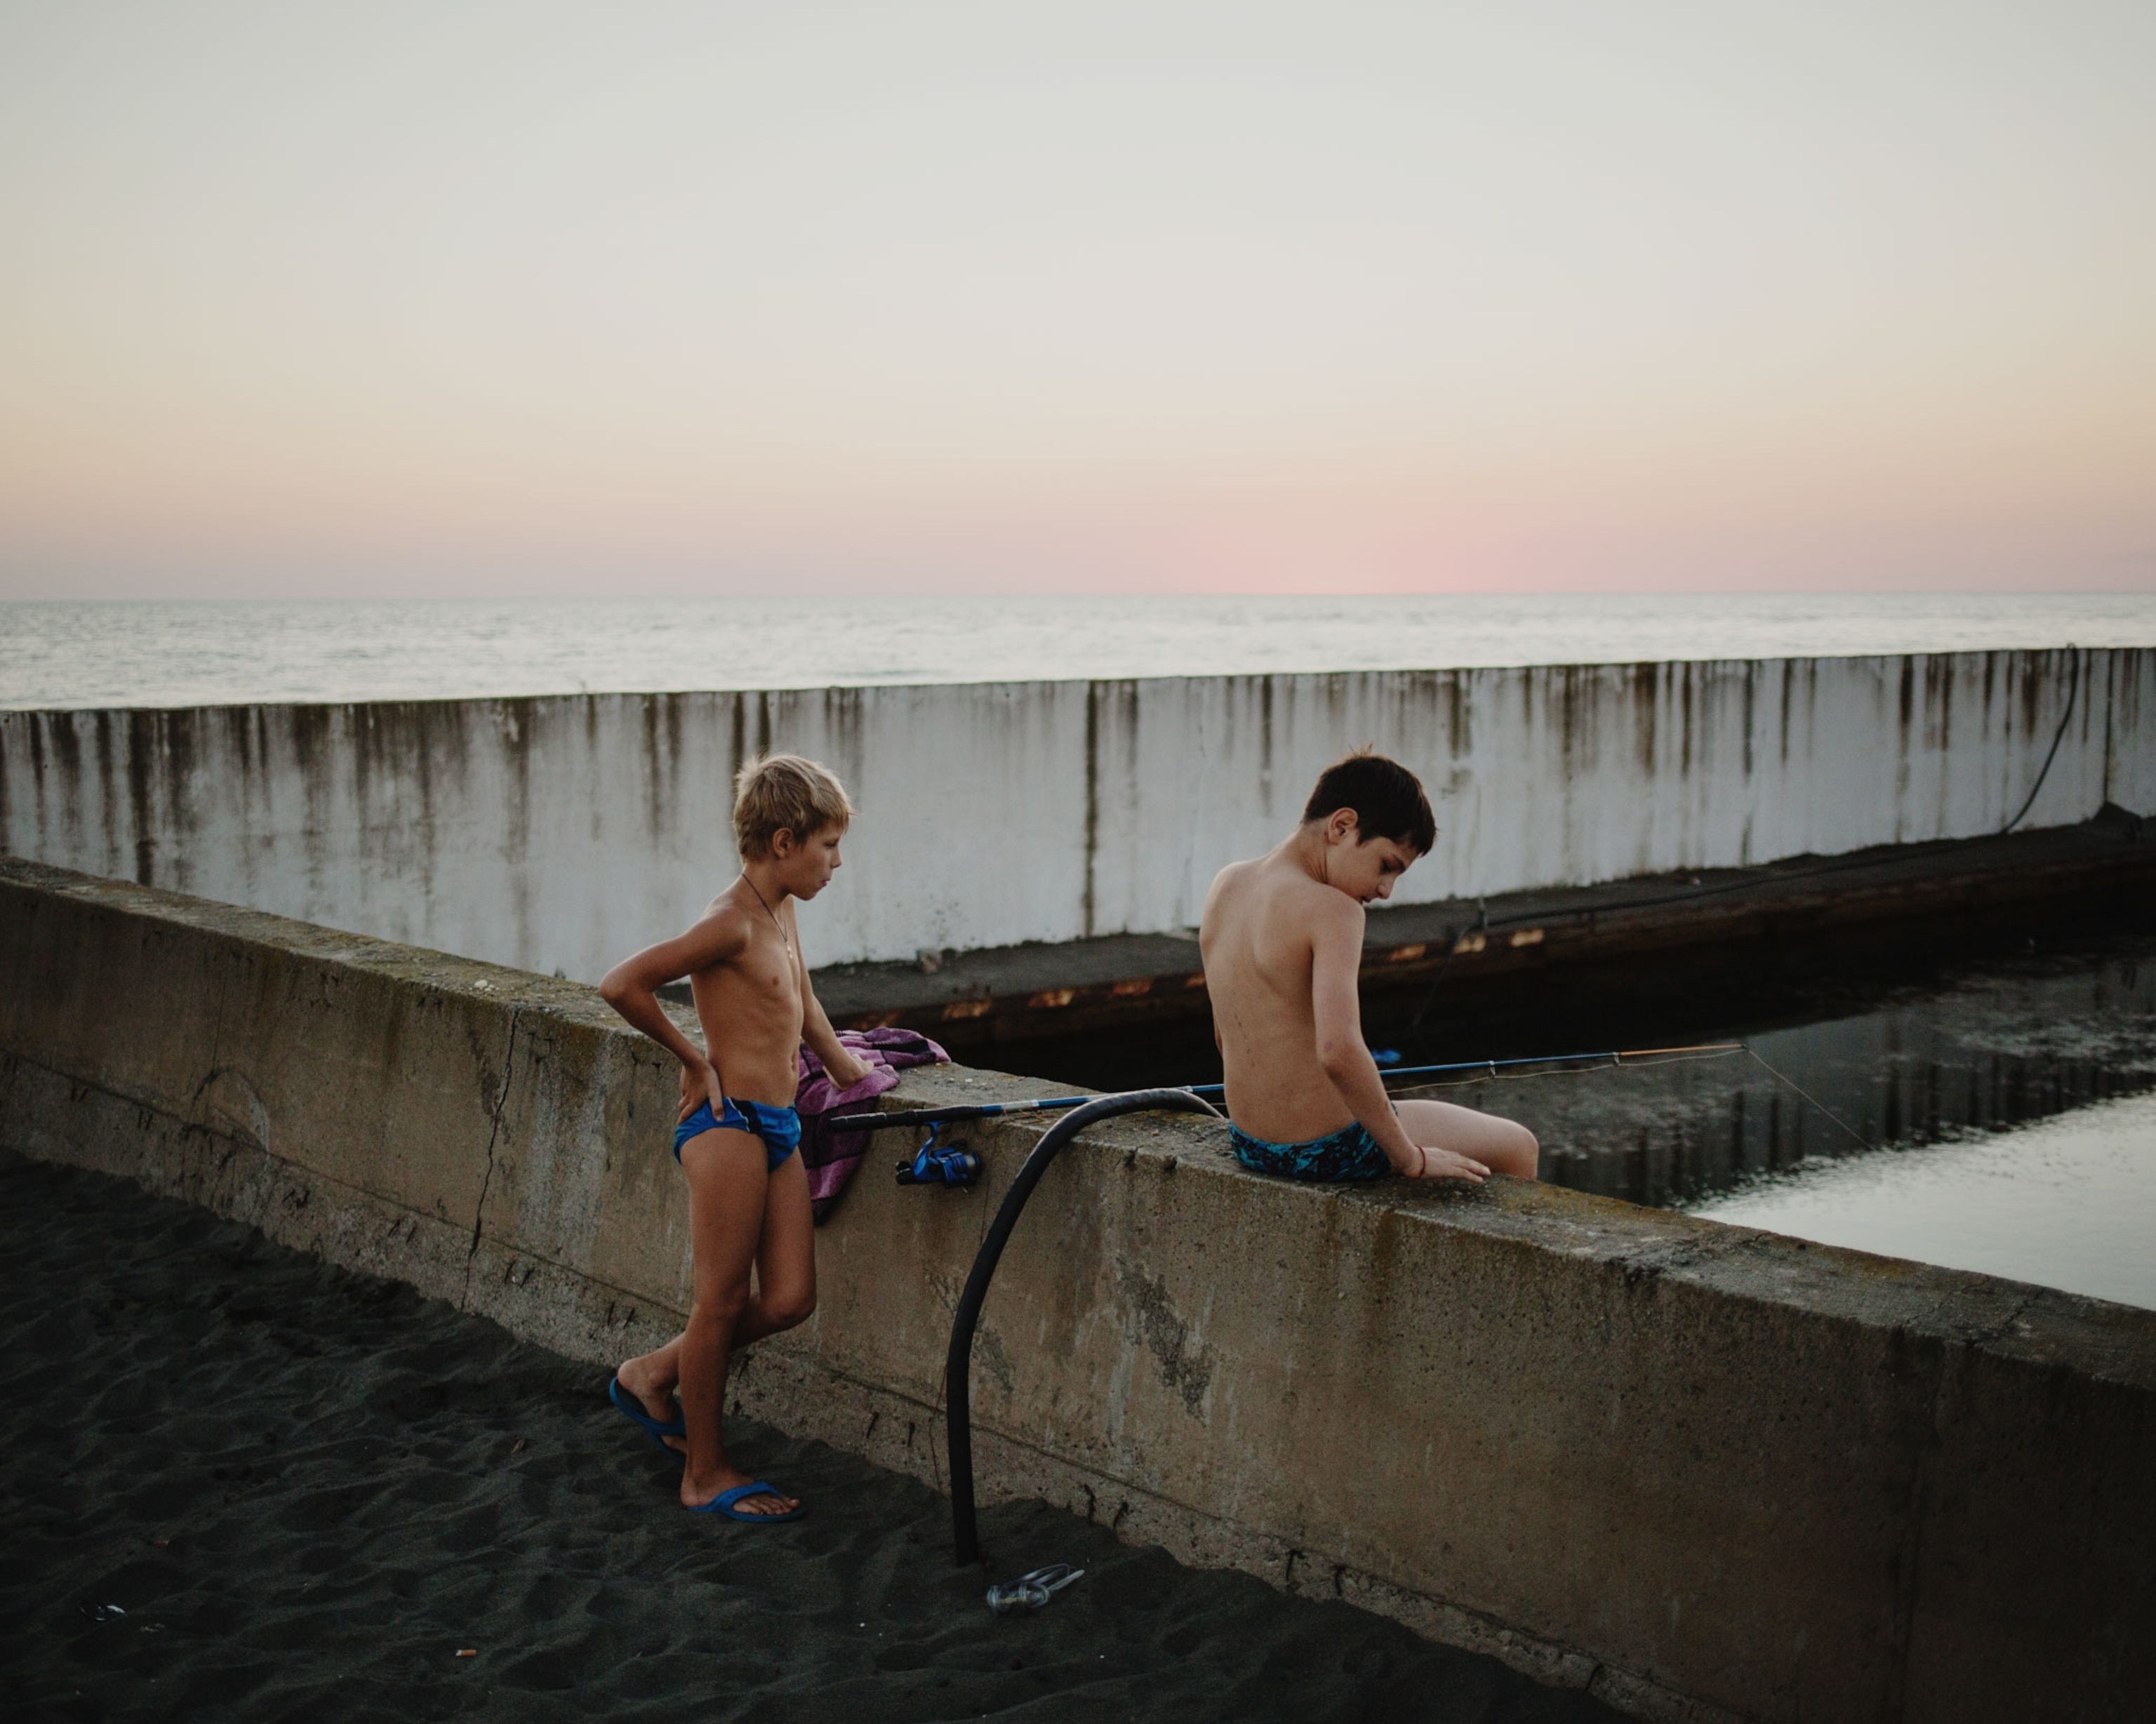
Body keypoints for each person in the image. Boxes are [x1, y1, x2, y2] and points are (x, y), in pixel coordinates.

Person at [598, 753, 874, 1521]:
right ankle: (704, 1474)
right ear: (785, 841)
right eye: (828, 846)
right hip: (727, 1126)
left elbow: (801, 994)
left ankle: (651, 1374)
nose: (837, 862)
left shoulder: (780, 908)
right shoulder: (727, 922)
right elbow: (622, 983)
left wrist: (848, 1069)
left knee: (789, 1299)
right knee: (719, 1303)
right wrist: (692, 1058)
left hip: (778, 1122)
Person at [1199, 749, 1538, 1185]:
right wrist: (1411, 1158)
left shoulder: (1226, 883)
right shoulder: (1334, 912)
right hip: (1330, 1150)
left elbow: (1224, 1035)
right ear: (1342, 826)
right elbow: (1338, 1051)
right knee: (1519, 1146)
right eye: (1386, 866)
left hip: (1249, 1144)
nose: (1386, 891)